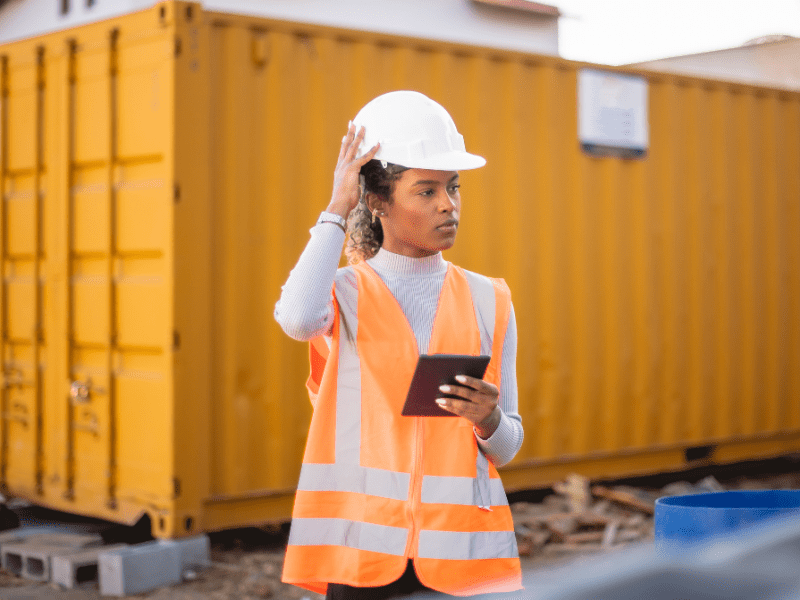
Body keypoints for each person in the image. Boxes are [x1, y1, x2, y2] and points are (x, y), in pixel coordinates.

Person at [275, 91, 524, 599]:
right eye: (425, 191)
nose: (447, 204)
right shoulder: (342, 295)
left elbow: (509, 445)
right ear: (378, 201)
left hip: (459, 562)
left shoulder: (488, 298)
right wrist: (335, 208)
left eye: (452, 188)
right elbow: (297, 318)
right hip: (363, 555)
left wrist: (488, 420)